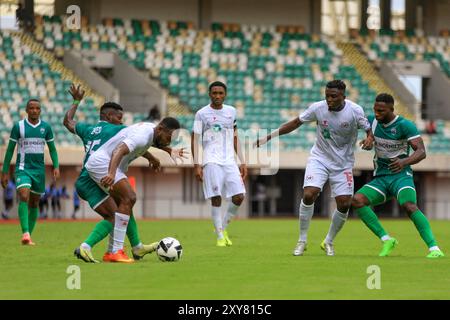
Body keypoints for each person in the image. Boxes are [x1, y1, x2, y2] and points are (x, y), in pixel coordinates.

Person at [64, 84, 186, 263]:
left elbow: (68, 122)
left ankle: (133, 247)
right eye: (119, 118)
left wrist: (76, 101)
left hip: (91, 171)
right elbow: (124, 147)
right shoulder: (122, 130)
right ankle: (107, 250)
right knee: (125, 203)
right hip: (99, 169)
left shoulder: (89, 129)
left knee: (124, 205)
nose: (121, 121)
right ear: (108, 116)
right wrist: (112, 174)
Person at [256, 80, 374, 256]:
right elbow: (296, 122)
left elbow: (369, 130)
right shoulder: (318, 108)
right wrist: (270, 136)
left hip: (343, 164)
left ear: (344, 96)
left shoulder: (355, 110)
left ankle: (329, 241)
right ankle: (302, 240)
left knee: (344, 203)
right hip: (320, 158)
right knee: (309, 193)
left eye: (333, 96)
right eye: (327, 95)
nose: (329, 99)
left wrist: (370, 139)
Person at [352, 93, 444, 258]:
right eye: (375, 110)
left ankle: (434, 249)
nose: (377, 113)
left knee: (409, 206)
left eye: (381, 111)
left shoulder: (405, 125)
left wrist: (404, 162)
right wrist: (368, 140)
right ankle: (387, 239)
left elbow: (421, 152)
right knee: (358, 200)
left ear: (391, 109)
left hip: (401, 176)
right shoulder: (372, 120)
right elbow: (370, 133)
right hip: (381, 178)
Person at [85, 116, 183, 262]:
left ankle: (125, 249)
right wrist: (111, 173)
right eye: (168, 137)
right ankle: (115, 251)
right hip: (103, 162)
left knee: (125, 205)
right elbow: (119, 150)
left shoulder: (150, 130)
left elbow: (143, 146)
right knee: (130, 197)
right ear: (161, 129)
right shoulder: (143, 135)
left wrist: (155, 156)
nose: (168, 141)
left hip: (103, 162)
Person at [191, 81, 247, 247]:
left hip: (229, 159)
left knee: (239, 196)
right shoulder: (201, 114)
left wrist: (242, 161)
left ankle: (222, 228)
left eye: (220, 93)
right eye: (214, 93)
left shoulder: (231, 111)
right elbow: (194, 139)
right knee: (216, 198)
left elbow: (235, 136)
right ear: (209, 94)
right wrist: (196, 164)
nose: (217, 96)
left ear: (225, 94)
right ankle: (220, 237)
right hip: (211, 159)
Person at [1, 99, 59, 245]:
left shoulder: (46, 127)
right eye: (31, 108)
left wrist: (56, 166)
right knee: (23, 195)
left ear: (40, 110)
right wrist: (5, 171)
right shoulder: (18, 126)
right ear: (26, 110)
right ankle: (25, 232)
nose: (34, 110)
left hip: (39, 171)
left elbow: (52, 149)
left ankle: (28, 237)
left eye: (37, 108)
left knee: (34, 203)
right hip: (23, 168)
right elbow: (9, 150)